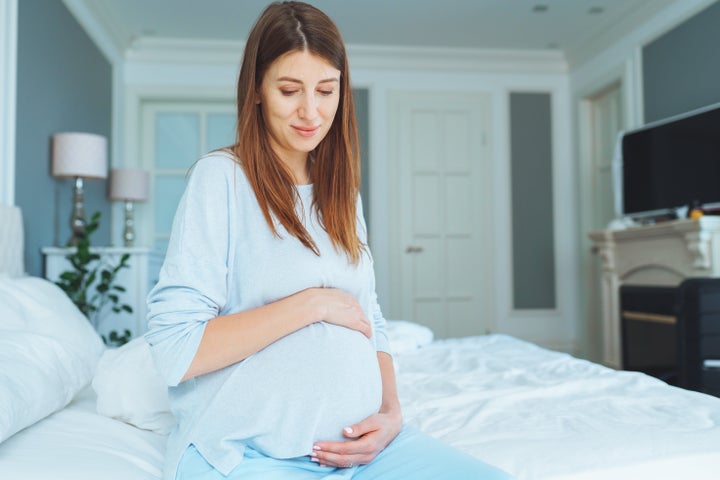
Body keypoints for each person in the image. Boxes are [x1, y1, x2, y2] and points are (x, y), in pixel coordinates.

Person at [145, 2, 515, 479]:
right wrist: (311, 304)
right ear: (256, 90)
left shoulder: (339, 189)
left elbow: (369, 317)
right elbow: (176, 350)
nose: (310, 112)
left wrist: (390, 414)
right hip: (246, 452)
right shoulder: (221, 180)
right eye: (289, 90)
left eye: (326, 90)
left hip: (364, 449)